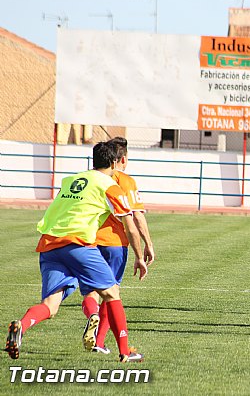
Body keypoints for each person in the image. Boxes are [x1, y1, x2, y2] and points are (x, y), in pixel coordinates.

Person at [4, 141, 147, 362]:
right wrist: (139, 256)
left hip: (49, 245)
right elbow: (130, 225)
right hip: (78, 244)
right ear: (113, 163)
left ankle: (21, 326)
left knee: (51, 306)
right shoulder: (110, 185)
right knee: (112, 294)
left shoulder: (71, 180)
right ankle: (125, 351)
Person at [81, 137, 156, 355]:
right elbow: (137, 218)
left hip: (90, 241)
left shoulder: (93, 179)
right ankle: (101, 341)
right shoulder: (125, 181)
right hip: (115, 244)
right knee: (112, 292)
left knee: (93, 291)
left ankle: (92, 317)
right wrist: (147, 246)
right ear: (122, 159)